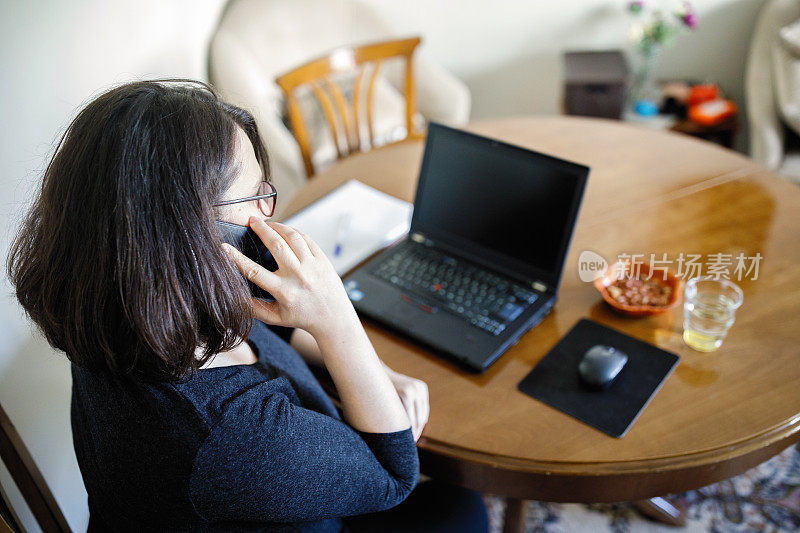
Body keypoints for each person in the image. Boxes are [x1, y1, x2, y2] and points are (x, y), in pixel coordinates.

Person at [7, 79, 488, 532]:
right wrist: (339, 323)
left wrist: (377, 373)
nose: (266, 212)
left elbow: (269, 320)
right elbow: (392, 475)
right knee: (461, 508)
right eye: (254, 195)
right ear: (185, 233)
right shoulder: (232, 437)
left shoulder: (124, 301)